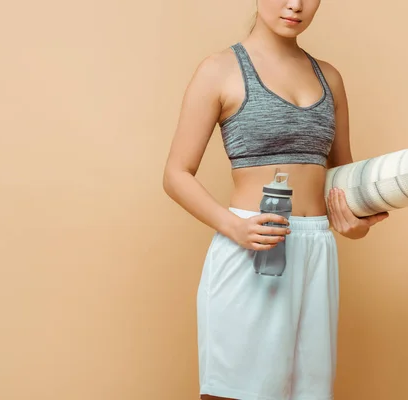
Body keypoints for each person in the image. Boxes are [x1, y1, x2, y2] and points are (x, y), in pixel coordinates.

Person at [163, 1, 389, 399]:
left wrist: (355, 224)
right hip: (251, 246)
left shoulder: (330, 78)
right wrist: (235, 226)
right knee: (234, 391)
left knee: (307, 393)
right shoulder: (220, 70)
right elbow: (176, 174)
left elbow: (343, 180)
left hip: (316, 250)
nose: (295, 5)